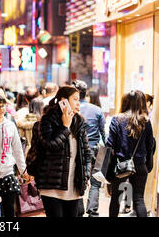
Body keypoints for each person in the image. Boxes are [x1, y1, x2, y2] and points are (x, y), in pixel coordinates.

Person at [33, 86, 92, 217]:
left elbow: (86, 153)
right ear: (63, 101)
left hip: (74, 187)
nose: (78, 103)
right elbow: (50, 145)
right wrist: (65, 127)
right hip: (52, 186)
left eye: (79, 100)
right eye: (75, 99)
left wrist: (86, 174)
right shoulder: (48, 120)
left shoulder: (79, 121)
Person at [106, 90, 156, 217]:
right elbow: (150, 144)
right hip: (140, 165)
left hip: (121, 165)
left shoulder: (117, 120)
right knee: (139, 199)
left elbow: (109, 145)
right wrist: (148, 163)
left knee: (116, 199)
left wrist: (109, 169)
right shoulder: (146, 121)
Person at [72, 80, 106, 217]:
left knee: (76, 180)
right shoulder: (97, 110)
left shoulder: (72, 110)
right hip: (95, 150)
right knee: (95, 182)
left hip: (77, 150)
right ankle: (92, 210)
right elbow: (104, 134)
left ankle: (79, 209)